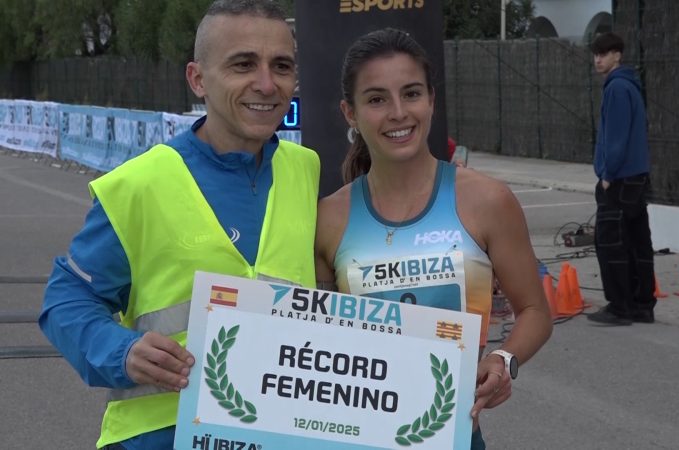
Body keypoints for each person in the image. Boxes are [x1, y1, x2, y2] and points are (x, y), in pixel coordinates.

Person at [38, 1, 319, 449]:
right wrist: (122, 351)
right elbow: (68, 298)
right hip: (156, 437)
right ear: (197, 78)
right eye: (243, 64)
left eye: (281, 66)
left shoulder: (306, 170)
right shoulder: (139, 184)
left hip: (276, 435)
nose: (267, 84)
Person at [314, 28, 553, 449]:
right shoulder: (328, 218)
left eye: (411, 93)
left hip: (454, 435)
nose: (398, 112)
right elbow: (313, 342)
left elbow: (535, 310)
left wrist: (503, 359)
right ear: (349, 113)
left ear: (431, 100)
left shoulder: (486, 200)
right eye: (376, 99)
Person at [585, 32, 656, 326]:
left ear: (617, 55)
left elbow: (616, 137)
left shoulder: (616, 89)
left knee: (611, 242)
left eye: (604, 54)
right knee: (638, 241)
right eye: (596, 54)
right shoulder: (631, 86)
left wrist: (607, 174)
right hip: (637, 177)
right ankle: (642, 304)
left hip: (619, 179)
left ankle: (620, 306)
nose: (598, 59)